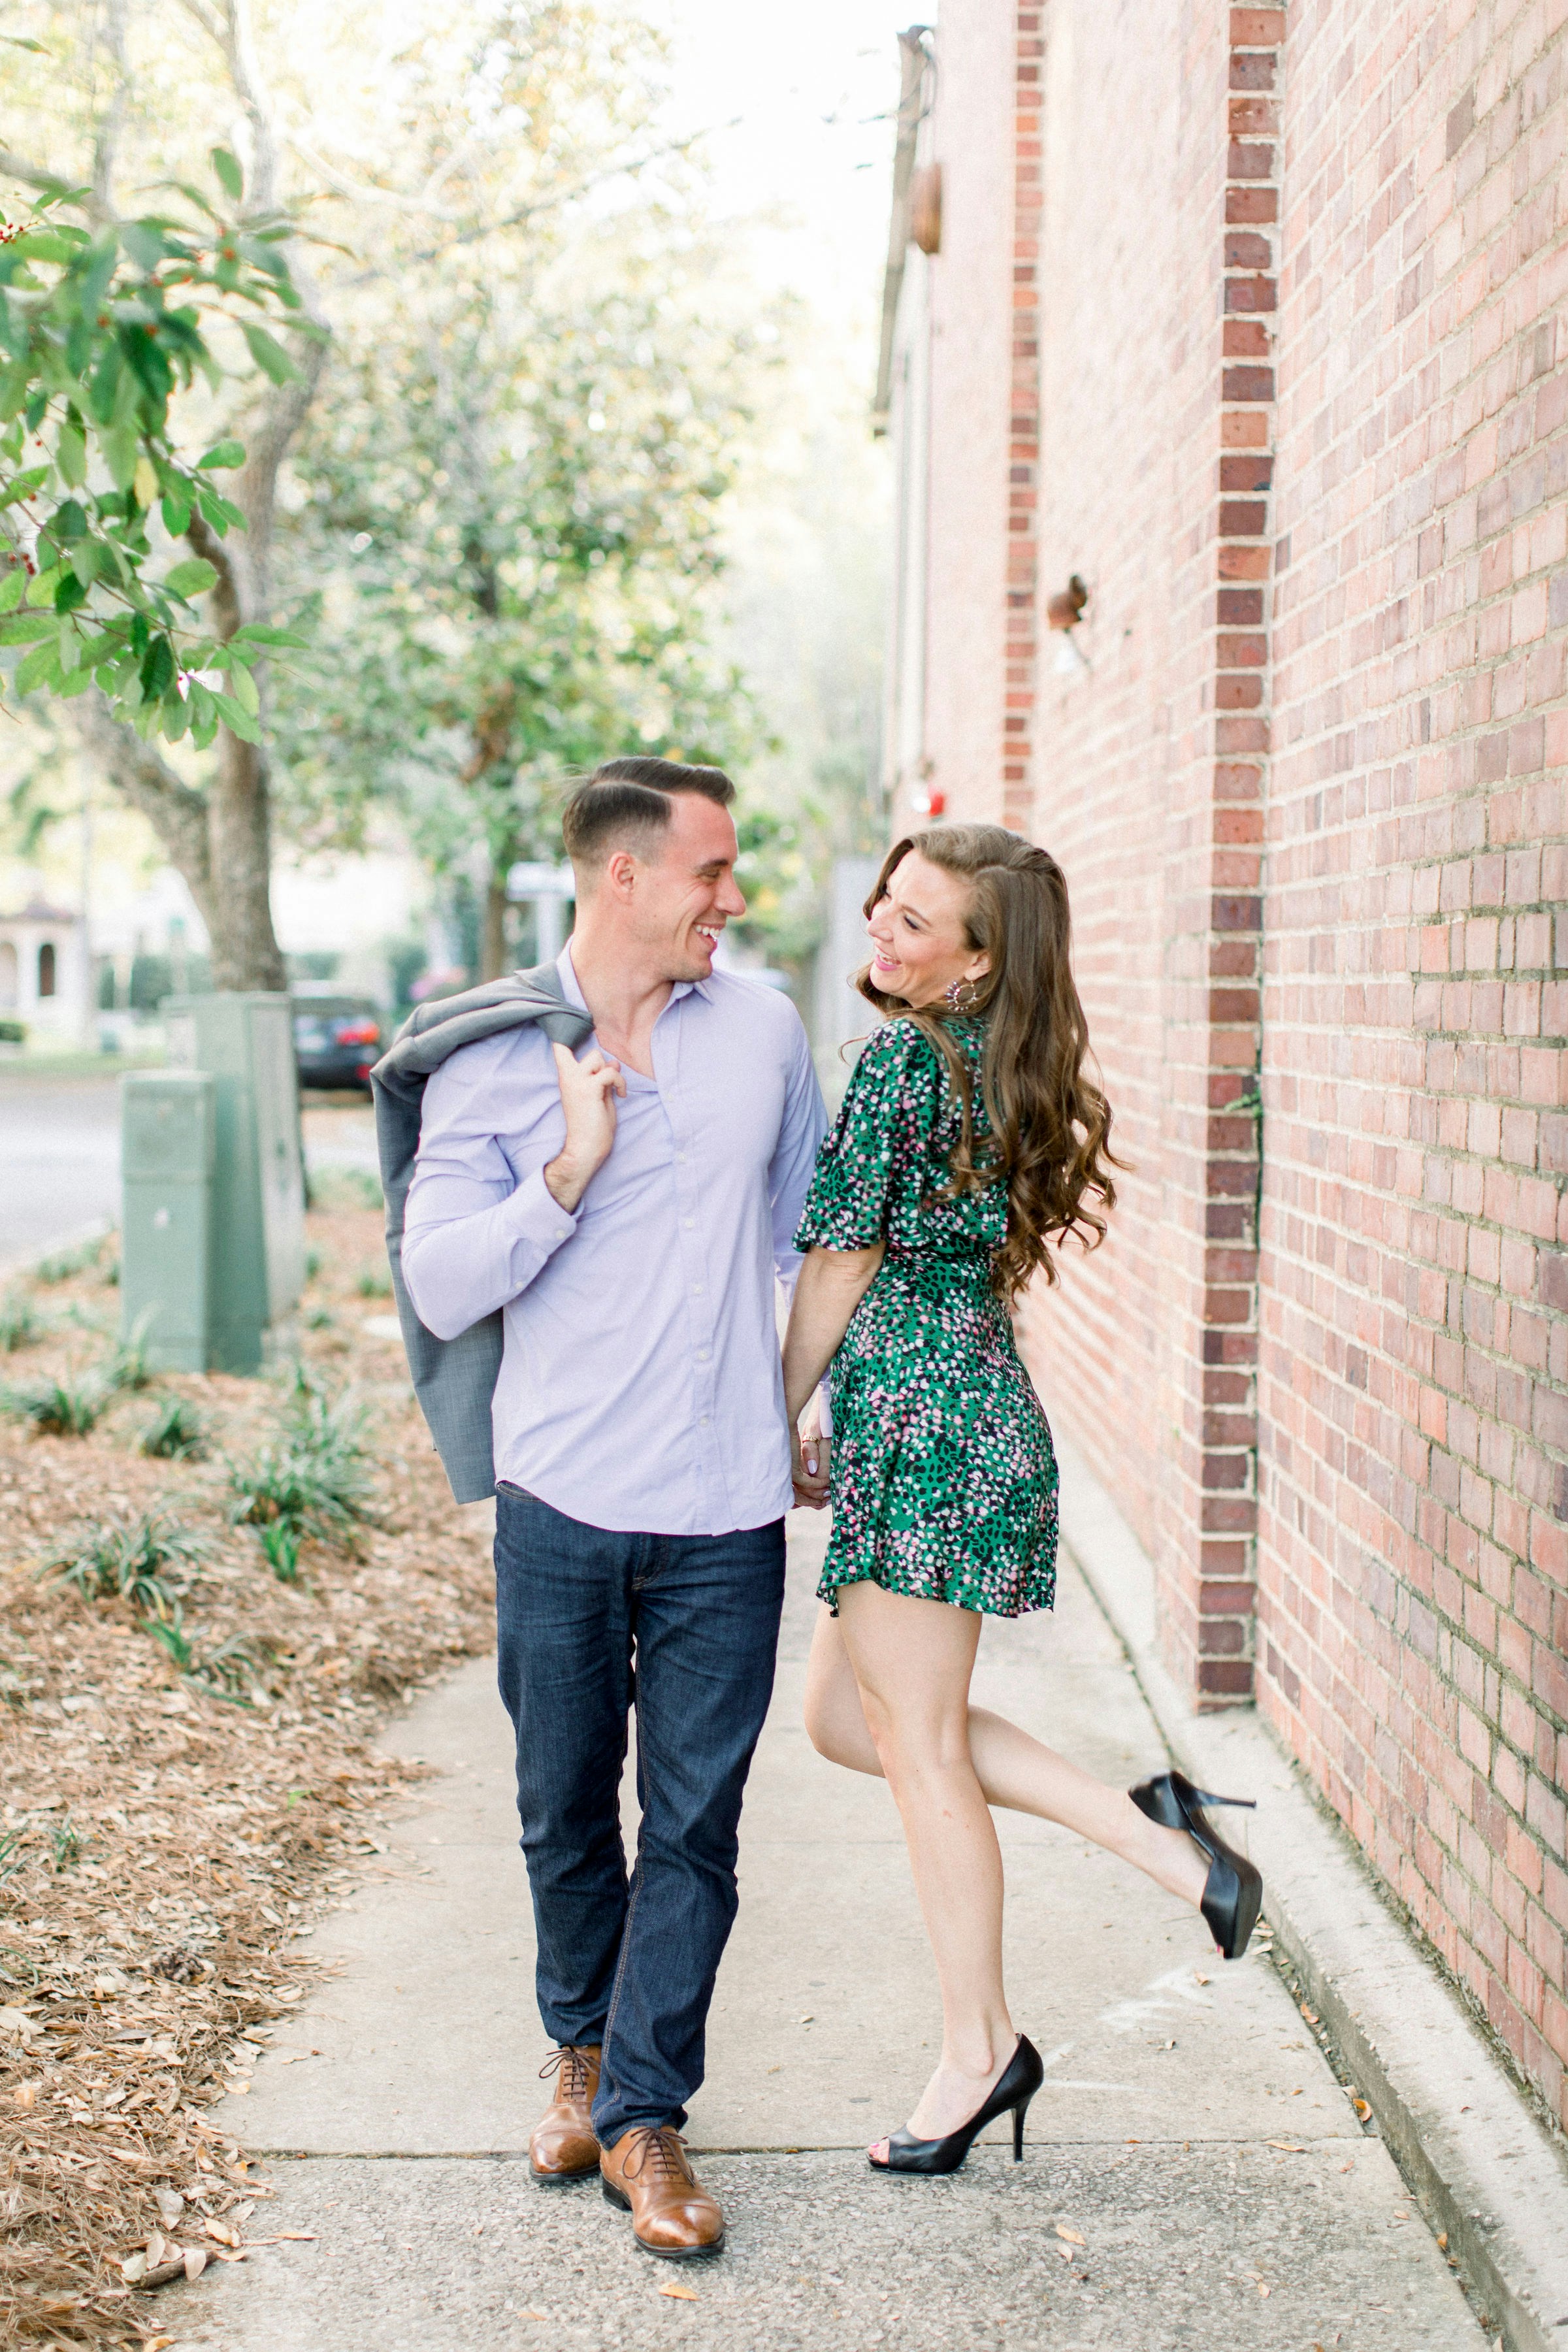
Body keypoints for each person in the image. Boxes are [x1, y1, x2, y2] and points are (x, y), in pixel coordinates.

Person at [781, 824, 1262, 2176]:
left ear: (980, 963)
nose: (882, 927)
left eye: (915, 923)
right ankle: (1160, 1831)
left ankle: (979, 2050)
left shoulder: (898, 1065)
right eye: (887, 901)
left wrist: (767, 1414)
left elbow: (838, 1264)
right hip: (958, 1415)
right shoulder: (990, 1069)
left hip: (929, 1430)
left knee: (921, 1752)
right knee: (847, 1721)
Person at [400, 757, 829, 2259]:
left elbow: (798, 1239)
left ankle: (647, 2117)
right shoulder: (498, 1060)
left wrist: (804, 1406)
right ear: (622, 878)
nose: (734, 896)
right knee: (564, 1813)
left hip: (724, 1507)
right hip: (562, 1500)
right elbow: (439, 1280)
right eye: (712, 871)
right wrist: (564, 1170)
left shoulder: (765, 1030)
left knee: (696, 1827)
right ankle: (576, 2050)